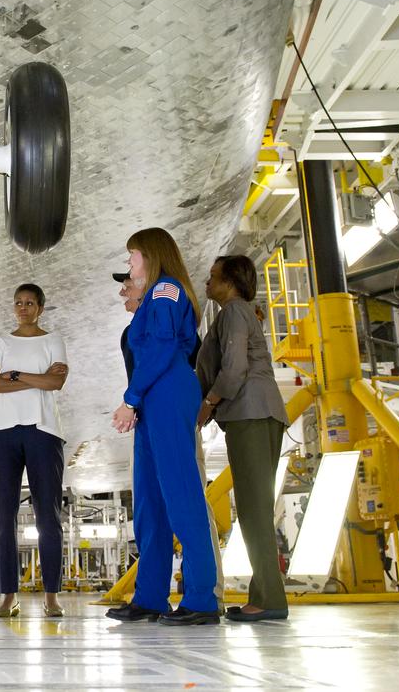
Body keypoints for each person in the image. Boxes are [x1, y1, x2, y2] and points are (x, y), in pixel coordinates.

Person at [108, 227, 219, 626]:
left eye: (132, 256)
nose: (129, 265)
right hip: (154, 395)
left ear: (151, 256)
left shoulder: (166, 290)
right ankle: (151, 596)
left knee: (181, 495)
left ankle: (202, 598)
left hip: (168, 390)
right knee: (150, 503)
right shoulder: (151, 298)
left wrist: (130, 399)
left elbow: (161, 349)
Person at [197, 254, 290, 622]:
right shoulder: (240, 313)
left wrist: (208, 402)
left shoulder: (234, 311)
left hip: (251, 412)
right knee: (256, 510)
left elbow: (234, 369)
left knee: (253, 511)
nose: (208, 282)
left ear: (231, 281)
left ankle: (269, 600)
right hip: (257, 412)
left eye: (213, 277)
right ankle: (266, 595)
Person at [0, 283, 68, 618]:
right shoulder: (0, 342)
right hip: (1, 431)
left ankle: (51, 595)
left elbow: (56, 382)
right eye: (18, 302)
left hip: (44, 430)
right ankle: (8, 595)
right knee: (3, 518)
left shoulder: (53, 341)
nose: (23, 308)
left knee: (48, 517)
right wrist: (37, 377)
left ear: (40, 307)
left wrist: (14, 375)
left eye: (29, 303)